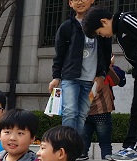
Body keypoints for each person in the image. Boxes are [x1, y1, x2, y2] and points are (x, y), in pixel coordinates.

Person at [82, 7, 137, 161]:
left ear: (103, 21)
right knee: (136, 109)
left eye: (99, 32)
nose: (102, 36)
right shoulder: (121, 32)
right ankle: (129, 147)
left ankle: (136, 148)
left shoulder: (126, 19)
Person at [48, 0, 112, 135]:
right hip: (70, 78)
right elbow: (59, 55)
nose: (80, 2)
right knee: (70, 112)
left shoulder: (102, 26)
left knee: (82, 114)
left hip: (90, 81)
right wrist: (56, 77)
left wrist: (102, 75)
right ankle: (68, 145)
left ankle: (76, 147)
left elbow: (106, 55)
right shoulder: (66, 27)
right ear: (70, 3)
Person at [77, 55, 126, 161]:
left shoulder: (80, 70)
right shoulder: (104, 71)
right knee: (105, 146)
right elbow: (119, 81)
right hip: (102, 111)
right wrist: (110, 65)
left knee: (82, 149)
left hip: (85, 112)